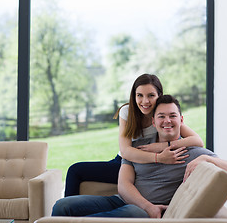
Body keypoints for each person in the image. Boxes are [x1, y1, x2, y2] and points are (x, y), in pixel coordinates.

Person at [52, 95, 227, 218]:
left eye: (173, 116)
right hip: (121, 200)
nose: (167, 121)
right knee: (63, 206)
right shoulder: (139, 146)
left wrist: (206, 159)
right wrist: (145, 204)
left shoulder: (193, 152)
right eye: (161, 116)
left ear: (181, 120)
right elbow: (124, 184)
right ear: (153, 121)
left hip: (140, 212)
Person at [64, 74, 203, 196]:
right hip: (124, 163)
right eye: (140, 95)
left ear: (159, 96)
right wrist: (158, 157)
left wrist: (164, 145)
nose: (145, 101)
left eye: (151, 95)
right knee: (75, 170)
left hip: (146, 168)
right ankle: (65, 219)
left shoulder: (163, 116)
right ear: (134, 96)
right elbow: (125, 151)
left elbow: (197, 141)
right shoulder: (127, 112)